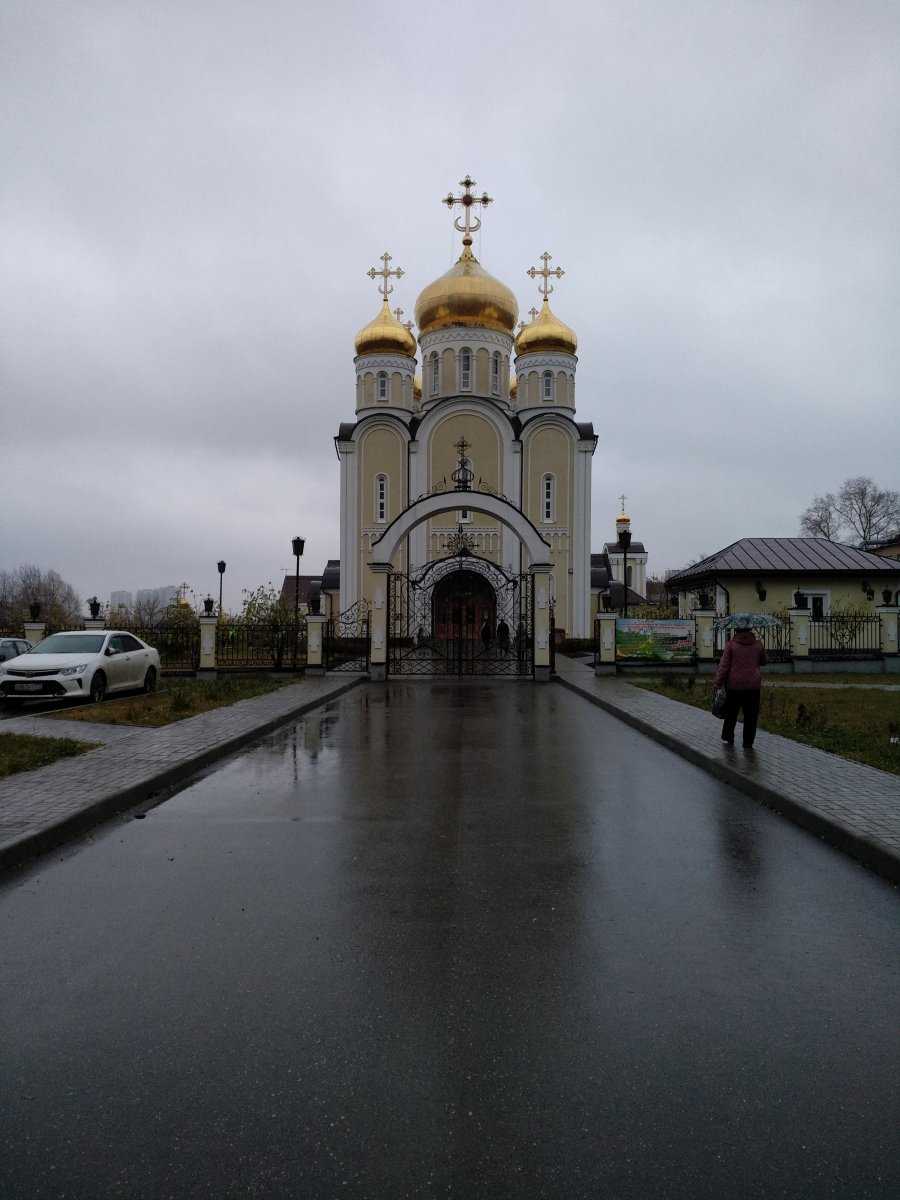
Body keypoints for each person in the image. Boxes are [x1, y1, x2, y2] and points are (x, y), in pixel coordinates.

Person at [714, 616, 767, 748]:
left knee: (731, 713)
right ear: (750, 630)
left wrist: (718, 683)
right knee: (751, 715)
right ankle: (748, 742)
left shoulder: (731, 645)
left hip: (734, 684)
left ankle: (728, 737)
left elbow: (724, 666)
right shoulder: (758, 645)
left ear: (736, 631)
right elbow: (764, 662)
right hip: (753, 685)